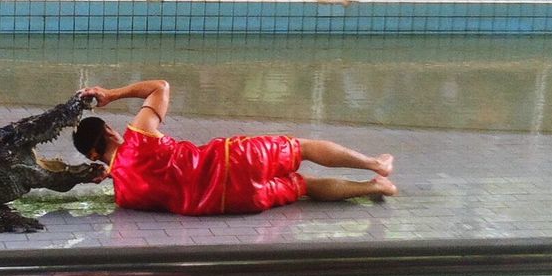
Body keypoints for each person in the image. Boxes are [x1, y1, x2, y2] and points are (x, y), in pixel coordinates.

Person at [71, 80, 397, 216]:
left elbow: (134, 179)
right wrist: (112, 94)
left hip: (234, 201)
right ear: (111, 131)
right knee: (303, 148)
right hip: (234, 161)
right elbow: (160, 86)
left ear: (92, 156)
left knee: (304, 185)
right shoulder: (139, 135)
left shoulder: (124, 196)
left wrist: (107, 173)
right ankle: (374, 165)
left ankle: (371, 187)